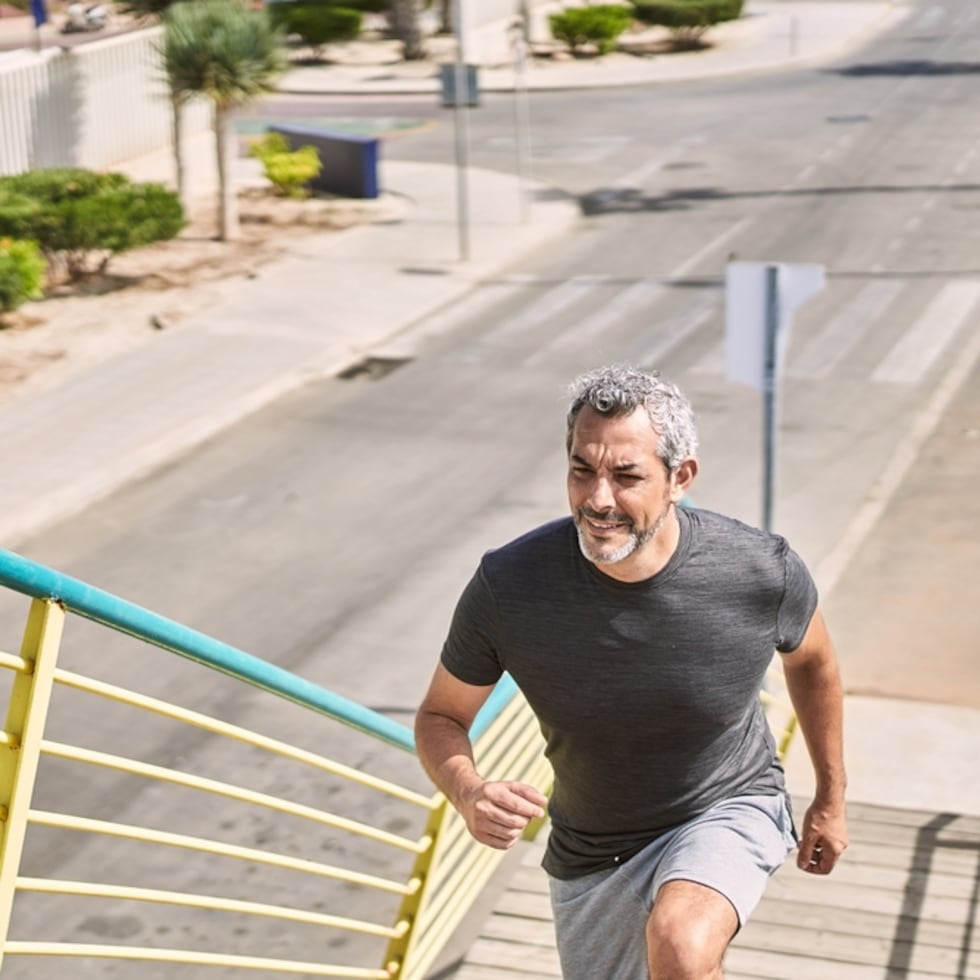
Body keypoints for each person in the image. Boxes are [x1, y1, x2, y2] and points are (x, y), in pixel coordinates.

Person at [414, 363, 848, 980]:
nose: (598, 499)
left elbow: (815, 665)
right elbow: (441, 714)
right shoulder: (510, 585)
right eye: (581, 469)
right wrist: (469, 790)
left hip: (727, 803)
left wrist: (831, 797)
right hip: (592, 849)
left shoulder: (759, 571)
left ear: (680, 478)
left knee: (681, 946)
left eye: (626, 476)